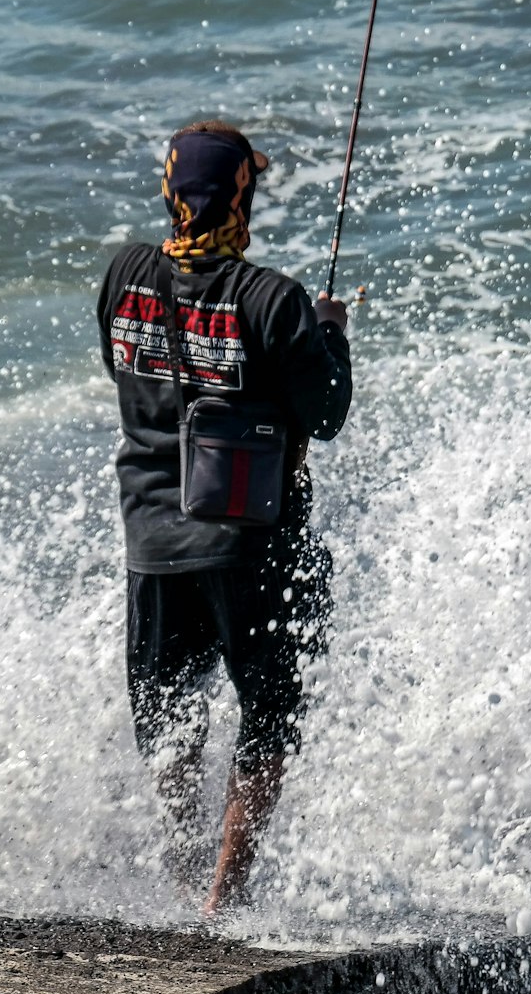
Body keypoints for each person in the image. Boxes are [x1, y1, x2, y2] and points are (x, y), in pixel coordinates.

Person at [97, 120, 351, 916]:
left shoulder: (122, 275)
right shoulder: (273, 300)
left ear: (173, 192)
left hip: (152, 543)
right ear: (240, 194)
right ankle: (222, 899)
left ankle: (180, 881)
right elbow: (329, 411)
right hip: (252, 546)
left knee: (169, 721)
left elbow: (128, 372)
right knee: (268, 717)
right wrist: (331, 334)